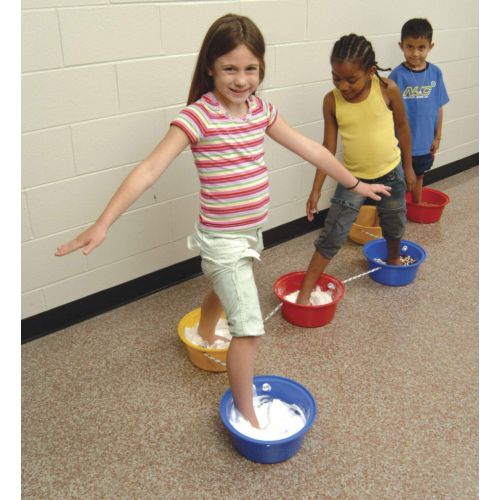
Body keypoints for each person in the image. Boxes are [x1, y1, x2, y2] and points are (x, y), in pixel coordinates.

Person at [54, 16, 390, 429]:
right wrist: (103, 222)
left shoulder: (261, 111)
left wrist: (356, 183)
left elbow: (311, 149)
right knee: (248, 330)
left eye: (251, 68)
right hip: (221, 239)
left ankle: (208, 331)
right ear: (210, 67)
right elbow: (150, 169)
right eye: (230, 68)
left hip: (249, 233)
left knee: (224, 285)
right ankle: (249, 414)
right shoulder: (198, 117)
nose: (241, 79)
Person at [296, 33, 416, 306]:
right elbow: (326, 149)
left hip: (390, 172)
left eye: (351, 79)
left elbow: (403, 128)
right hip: (352, 179)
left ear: (370, 71)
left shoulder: (387, 89)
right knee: (333, 232)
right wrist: (315, 190)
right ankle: (305, 291)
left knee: (394, 222)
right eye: (336, 77)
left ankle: (394, 260)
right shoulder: (331, 101)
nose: (343, 85)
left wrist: (408, 168)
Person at [389, 18, 449, 204]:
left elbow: (439, 107)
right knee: (398, 180)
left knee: (419, 176)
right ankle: (396, 212)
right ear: (401, 46)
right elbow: (387, 112)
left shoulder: (435, 73)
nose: (415, 53)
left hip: (424, 142)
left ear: (430, 46)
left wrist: (437, 136)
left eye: (421, 47)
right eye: (410, 47)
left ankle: (416, 204)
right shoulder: (396, 76)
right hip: (400, 144)